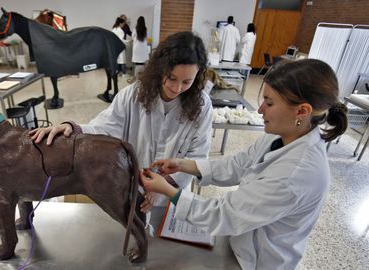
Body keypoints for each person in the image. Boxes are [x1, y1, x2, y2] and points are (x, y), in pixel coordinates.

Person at [140, 58, 348, 269]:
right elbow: (239, 164)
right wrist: (185, 165)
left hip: (256, 260)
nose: (260, 110)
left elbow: (225, 214)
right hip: (241, 240)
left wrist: (168, 190)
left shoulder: (297, 174)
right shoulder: (284, 134)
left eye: (269, 102)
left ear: (302, 111)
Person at [30, 31, 213, 216]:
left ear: (197, 77)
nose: (177, 88)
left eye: (187, 82)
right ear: (161, 68)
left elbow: (198, 156)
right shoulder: (133, 95)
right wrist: (73, 129)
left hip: (173, 196)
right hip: (134, 189)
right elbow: (105, 129)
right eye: (172, 78)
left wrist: (163, 186)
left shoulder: (202, 106)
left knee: (168, 241)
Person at [131, 16, 150, 81]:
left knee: (137, 63)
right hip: (143, 48)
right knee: (143, 62)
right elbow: (146, 38)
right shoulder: (145, 29)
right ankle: (143, 77)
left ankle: (136, 77)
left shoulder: (135, 29)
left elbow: (133, 38)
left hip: (137, 47)